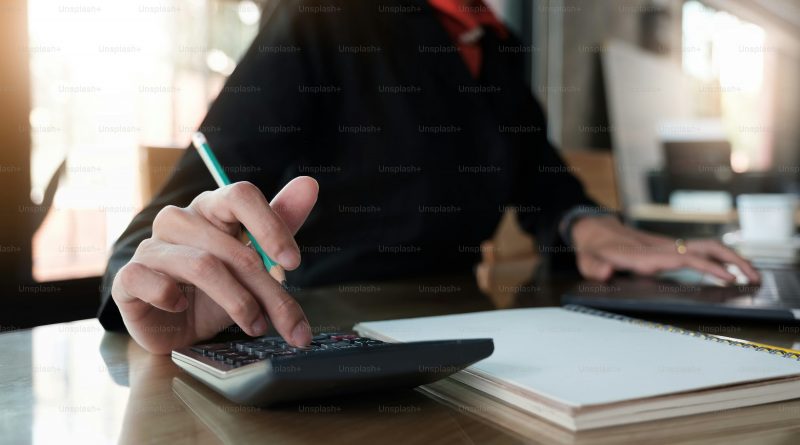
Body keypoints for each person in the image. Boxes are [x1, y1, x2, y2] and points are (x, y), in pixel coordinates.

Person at [98, 0, 759, 354]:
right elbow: (176, 210)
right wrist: (157, 288)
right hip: (328, 339)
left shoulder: (494, 44)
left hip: (477, 344)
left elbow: (546, 188)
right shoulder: (321, 18)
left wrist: (591, 225)